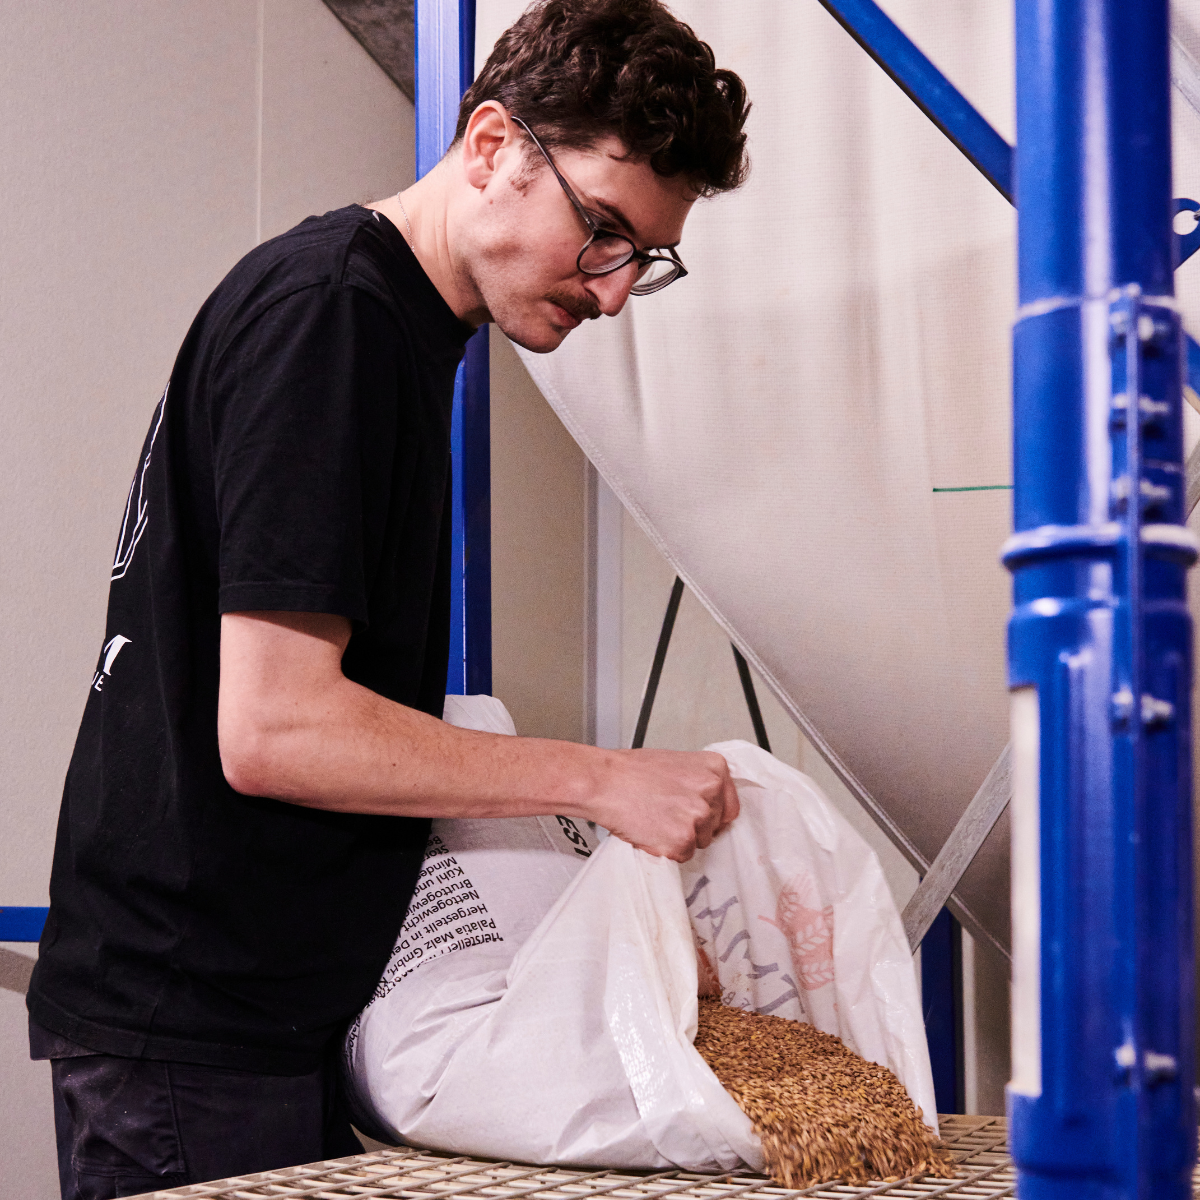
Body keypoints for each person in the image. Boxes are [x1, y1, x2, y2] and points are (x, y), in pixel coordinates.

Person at [27, 1, 752, 1195]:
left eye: (646, 260)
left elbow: (350, 725)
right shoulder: (332, 322)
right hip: (194, 1031)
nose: (615, 293)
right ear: (490, 147)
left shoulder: (401, 332)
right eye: (605, 232)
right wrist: (606, 781)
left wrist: (610, 919)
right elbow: (277, 730)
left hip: (265, 1016)